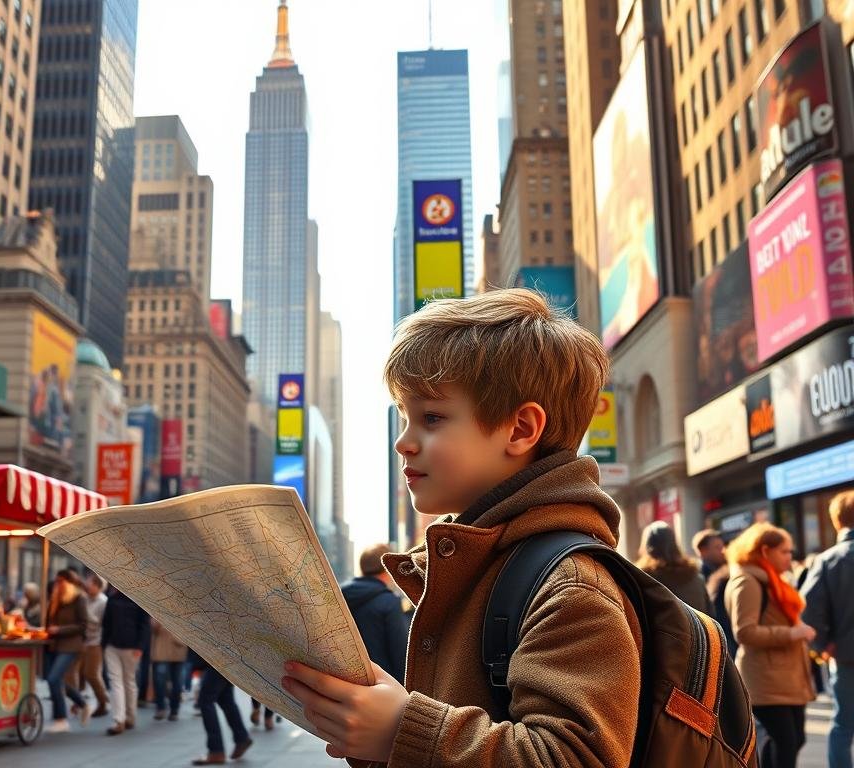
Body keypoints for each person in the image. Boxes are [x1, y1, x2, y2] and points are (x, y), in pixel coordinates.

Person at [281, 289, 642, 765]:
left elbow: (574, 757)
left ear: (520, 429)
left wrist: (400, 730)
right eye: (405, 417)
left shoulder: (570, 586)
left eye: (432, 417)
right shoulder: (478, 565)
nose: (404, 443)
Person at [726, 521, 816, 768]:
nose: (790, 556)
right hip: (766, 678)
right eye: (784, 551)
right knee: (786, 743)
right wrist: (792, 633)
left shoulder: (772, 580)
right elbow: (745, 632)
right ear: (765, 551)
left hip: (785, 676)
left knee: (792, 740)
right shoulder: (748, 581)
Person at [801, 490, 854, 768]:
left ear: (836, 522)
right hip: (844, 653)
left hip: (845, 656)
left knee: (843, 725)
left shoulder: (828, 560)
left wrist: (823, 645)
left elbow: (807, 610)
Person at [340, 543, 410, 683]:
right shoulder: (389, 602)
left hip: (346, 683)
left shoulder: (339, 597)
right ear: (387, 570)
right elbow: (400, 654)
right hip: (381, 686)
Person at [101, 586, 149, 735]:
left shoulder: (138, 598)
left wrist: (140, 647)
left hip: (131, 647)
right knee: (116, 681)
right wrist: (104, 644)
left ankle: (130, 716)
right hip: (113, 646)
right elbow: (106, 623)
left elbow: (144, 625)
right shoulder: (112, 598)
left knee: (128, 681)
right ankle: (119, 719)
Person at [44, 569, 88, 733]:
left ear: (69, 582)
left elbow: (83, 625)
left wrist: (60, 630)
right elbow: (49, 622)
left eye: (61, 581)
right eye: (56, 581)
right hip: (56, 645)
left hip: (72, 645)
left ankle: (61, 719)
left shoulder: (79, 598)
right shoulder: (55, 599)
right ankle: (82, 703)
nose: (58, 584)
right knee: (54, 679)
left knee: (53, 678)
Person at [636, 520, 712, 613]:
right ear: (675, 544)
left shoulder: (642, 579)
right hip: (696, 627)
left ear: (646, 546)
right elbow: (710, 614)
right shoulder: (695, 576)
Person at [193, 666, 253, 765]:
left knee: (206, 701)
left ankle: (216, 751)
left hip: (215, 661)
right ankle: (241, 737)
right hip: (225, 661)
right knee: (225, 699)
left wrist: (198, 665)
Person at [83, 574, 109, 717]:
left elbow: (99, 622)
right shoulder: (87, 599)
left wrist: (84, 613)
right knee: (87, 673)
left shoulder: (103, 601)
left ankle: (103, 701)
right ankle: (102, 700)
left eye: (90, 584)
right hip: (86, 640)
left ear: (98, 586)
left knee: (92, 673)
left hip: (96, 641)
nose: (88, 586)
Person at [151, 617, 187, 722]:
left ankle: (174, 710)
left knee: (177, 682)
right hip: (161, 650)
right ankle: (161, 707)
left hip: (178, 649)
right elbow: (154, 627)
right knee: (159, 681)